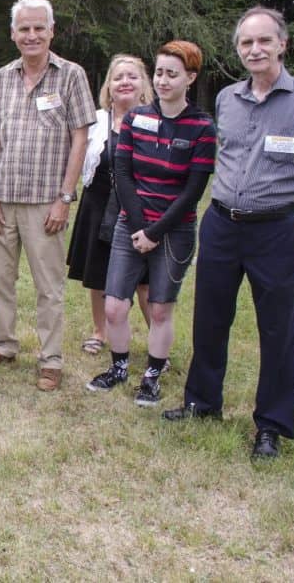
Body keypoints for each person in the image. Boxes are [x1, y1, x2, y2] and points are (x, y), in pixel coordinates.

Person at [163, 7, 294, 460]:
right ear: (238, 49)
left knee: (278, 328)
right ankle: (201, 403)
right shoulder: (227, 99)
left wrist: (276, 199)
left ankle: (272, 425)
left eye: (264, 41)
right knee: (210, 318)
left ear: (283, 44)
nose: (255, 50)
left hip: (275, 229)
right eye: (246, 43)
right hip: (222, 223)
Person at [86, 41, 215, 406]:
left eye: (172, 74)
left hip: (175, 231)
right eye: (159, 72)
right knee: (114, 306)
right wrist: (140, 226)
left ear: (190, 77)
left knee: (160, 308)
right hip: (132, 224)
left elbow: (193, 190)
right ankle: (119, 367)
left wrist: (156, 232)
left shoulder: (202, 128)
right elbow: (123, 174)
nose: (162, 80)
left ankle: (152, 377)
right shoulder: (137, 118)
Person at [0, 0, 95, 391]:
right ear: (13, 35)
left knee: (49, 287)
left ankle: (51, 361)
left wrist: (65, 198)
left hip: (46, 202)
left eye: (38, 28)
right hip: (3, 199)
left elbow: (80, 138)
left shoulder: (71, 75)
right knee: (0, 280)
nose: (31, 35)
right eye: (24, 29)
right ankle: (4, 346)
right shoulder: (1, 78)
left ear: (51, 31)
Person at [67, 55, 153, 356]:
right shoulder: (94, 122)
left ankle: (157, 341)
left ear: (143, 85)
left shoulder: (156, 121)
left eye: (132, 76)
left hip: (142, 209)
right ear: (109, 86)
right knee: (98, 273)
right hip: (98, 205)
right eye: (118, 77)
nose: (125, 82)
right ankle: (100, 332)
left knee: (146, 282)